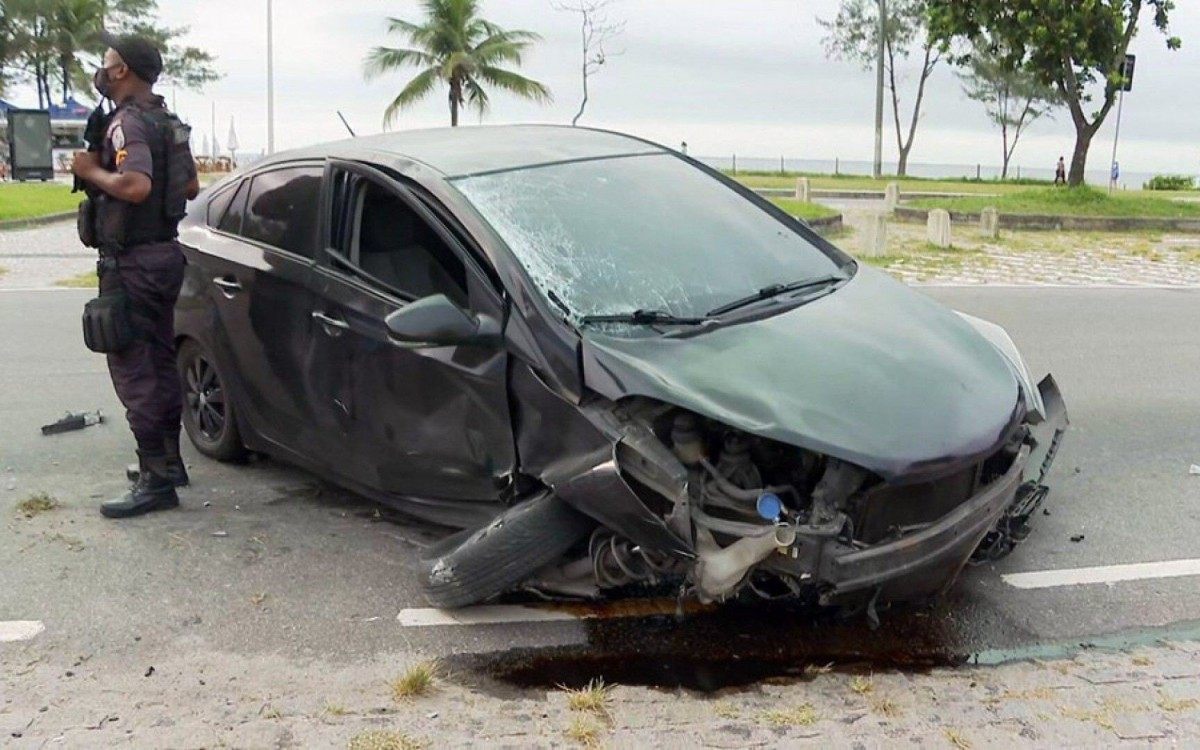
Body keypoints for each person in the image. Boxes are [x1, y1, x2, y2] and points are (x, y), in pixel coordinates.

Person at [71, 32, 200, 518]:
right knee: (160, 359)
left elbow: (135, 185)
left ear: (123, 70)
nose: (101, 71)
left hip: (133, 263)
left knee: (134, 367)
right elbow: (187, 184)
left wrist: (91, 171)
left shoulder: (127, 123)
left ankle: (155, 482)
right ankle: (168, 462)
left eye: (106, 62)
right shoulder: (169, 121)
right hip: (165, 255)